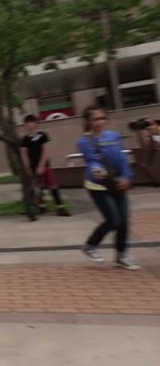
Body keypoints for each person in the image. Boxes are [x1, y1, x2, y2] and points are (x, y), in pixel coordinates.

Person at [77, 105, 139, 270]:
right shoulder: (84, 141)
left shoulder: (113, 135)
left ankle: (121, 256)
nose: (100, 122)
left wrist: (126, 176)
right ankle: (91, 245)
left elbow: (122, 157)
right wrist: (99, 172)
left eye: (103, 118)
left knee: (123, 221)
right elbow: (92, 161)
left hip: (118, 182)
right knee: (114, 220)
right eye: (96, 119)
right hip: (98, 185)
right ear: (88, 121)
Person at [19, 114, 70, 216]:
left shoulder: (42, 136)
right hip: (32, 166)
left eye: (32, 122)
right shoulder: (25, 139)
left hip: (45, 165)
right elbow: (24, 154)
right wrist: (27, 167)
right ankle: (40, 207)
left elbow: (46, 151)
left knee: (52, 185)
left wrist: (41, 165)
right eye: (27, 123)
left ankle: (60, 207)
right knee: (36, 187)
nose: (30, 125)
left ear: (36, 124)